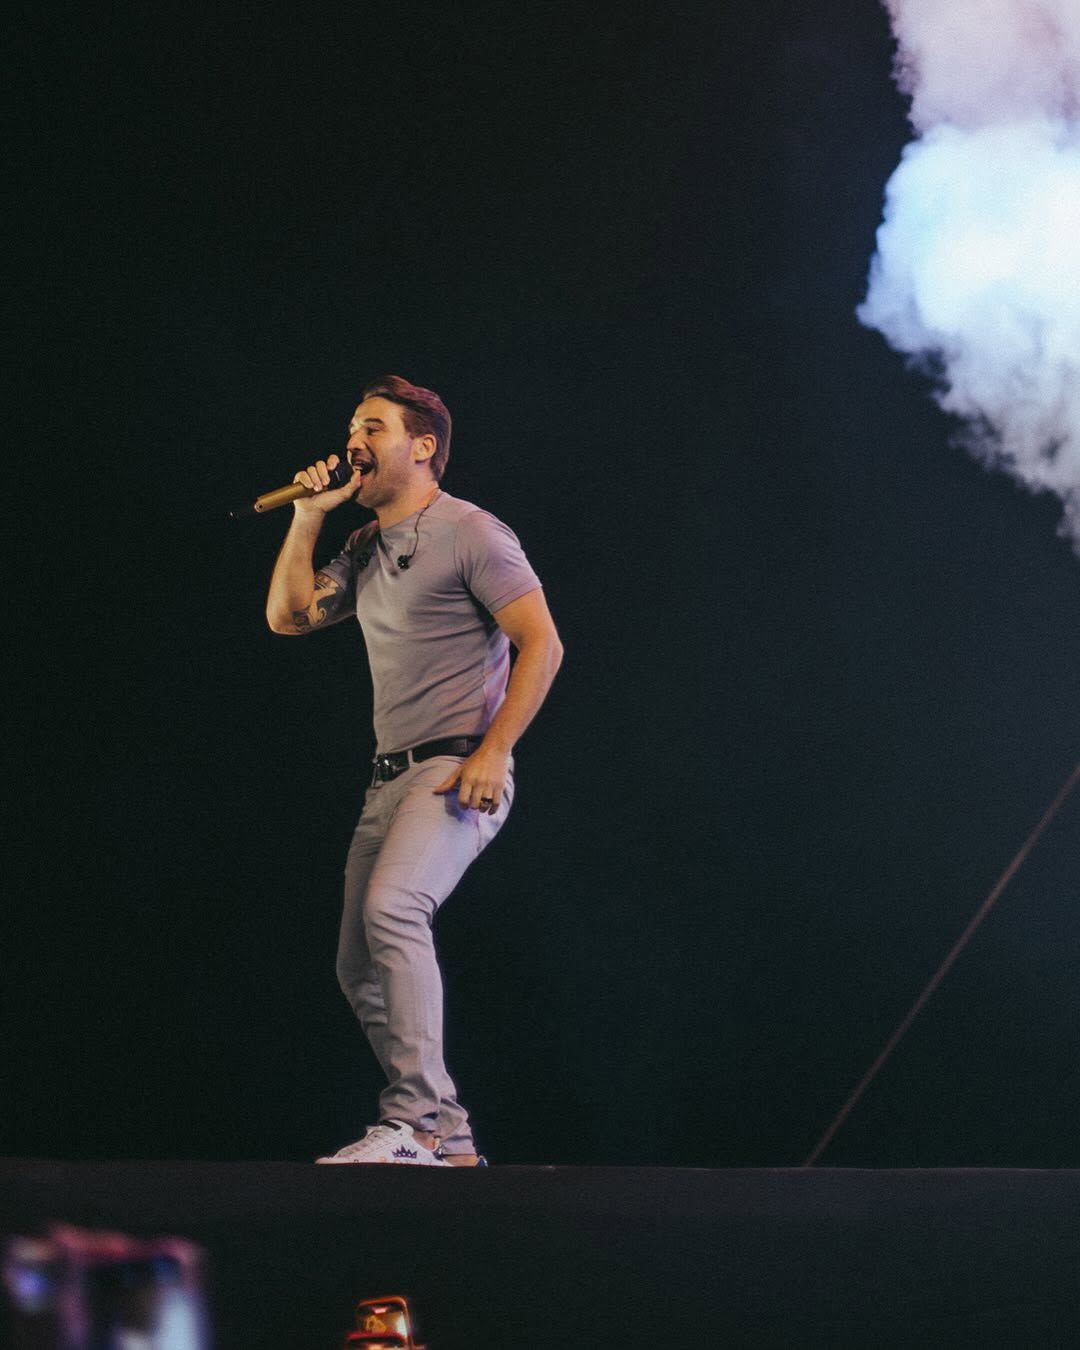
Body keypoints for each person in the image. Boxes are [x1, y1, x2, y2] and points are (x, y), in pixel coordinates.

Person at [265, 375, 563, 1166]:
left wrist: (494, 751)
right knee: (357, 965)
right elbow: (288, 617)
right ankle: (451, 1133)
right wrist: (307, 517)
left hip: (455, 767)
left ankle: (418, 1124)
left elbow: (543, 642)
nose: (353, 441)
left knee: (395, 908)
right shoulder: (364, 546)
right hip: (387, 780)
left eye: (372, 427)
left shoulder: (470, 531)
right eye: (351, 427)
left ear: (423, 446)